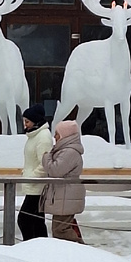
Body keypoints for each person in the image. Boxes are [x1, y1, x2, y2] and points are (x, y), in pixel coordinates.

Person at [40, 119, 85, 243]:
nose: (54, 137)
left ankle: (80, 251)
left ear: (65, 135)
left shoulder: (69, 152)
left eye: (57, 134)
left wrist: (46, 156)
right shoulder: (65, 150)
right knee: (62, 227)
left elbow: (55, 170)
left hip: (66, 196)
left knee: (60, 230)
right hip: (64, 196)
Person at [18, 103, 53, 241]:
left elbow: (44, 164)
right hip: (33, 184)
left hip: (37, 186)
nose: (25, 125)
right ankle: (40, 247)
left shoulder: (43, 137)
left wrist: (32, 176)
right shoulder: (34, 136)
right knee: (37, 220)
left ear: (35, 121)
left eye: (27, 121)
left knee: (24, 219)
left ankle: (31, 247)